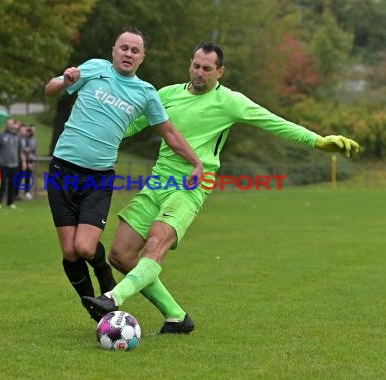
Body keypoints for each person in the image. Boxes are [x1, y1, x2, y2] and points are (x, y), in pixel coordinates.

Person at [82, 41, 360, 334]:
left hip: (191, 186)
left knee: (154, 246)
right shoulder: (166, 95)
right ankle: (176, 317)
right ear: (190, 64)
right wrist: (94, 129)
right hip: (158, 182)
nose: (200, 73)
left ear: (220, 72)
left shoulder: (230, 101)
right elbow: (130, 125)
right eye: (196, 66)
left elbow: (274, 122)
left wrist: (317, 140)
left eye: (207, 69)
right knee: (121, 255)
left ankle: (113, 297)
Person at [44, 26, 203, 322]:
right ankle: (96, 310)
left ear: (142, 58)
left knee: (84, 247)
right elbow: (50, 89)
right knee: (69, 252)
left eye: (135, 50)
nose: (128, 53)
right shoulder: (94, 69)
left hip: (98, 178)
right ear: (113, 51)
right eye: (124, 48)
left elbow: (169, 132)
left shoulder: (145, 93)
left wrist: (196, 163)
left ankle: (105, 281)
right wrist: (65, 80)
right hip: (62, 170)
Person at [0, 118, 23, 209]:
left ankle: (10, 202)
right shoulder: (0, 135)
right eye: (8, 123)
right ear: (6, 124)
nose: (10, 125)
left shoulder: (17, 136)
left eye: (12, 123)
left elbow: (19, 150)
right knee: (1, 184)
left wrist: (20, 162)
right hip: (2, 164)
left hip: (14, 164)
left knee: (12, 184)